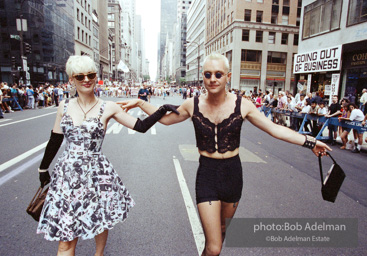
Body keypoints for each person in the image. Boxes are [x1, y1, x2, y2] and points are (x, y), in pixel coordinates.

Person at [120, 53, 330, 256]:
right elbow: (165, 119)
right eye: (207, 74)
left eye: (218, 74)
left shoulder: (243, 105)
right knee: (214, 248)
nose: (212, 79)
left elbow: (275, 129)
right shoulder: (192, 104)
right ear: (202, 76)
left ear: (228, 77)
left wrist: (310, 141)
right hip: (207, 175)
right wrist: (139, 103)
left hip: (232, 174)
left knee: (221, 232)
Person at [36, 55, 178, 256]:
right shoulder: (64, 106)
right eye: (80, 76)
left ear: (95, 77)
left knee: (100, 218)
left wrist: (160, 109)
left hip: (97, 173)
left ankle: (99, 253)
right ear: (71, 80)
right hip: (67, 178)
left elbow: (141, 126)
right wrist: (43, 168)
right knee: (65, 243)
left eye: (91, 75)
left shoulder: (108, 107)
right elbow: (55, 139)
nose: (86, 79)